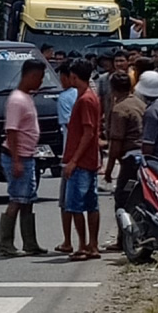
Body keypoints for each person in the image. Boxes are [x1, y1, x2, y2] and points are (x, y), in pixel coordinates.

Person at [0, 59, 48, 257]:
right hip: (18, 156)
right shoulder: (17, 100)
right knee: (17, 199)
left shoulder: (26, 97)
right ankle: (6, 244)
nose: (41, 82)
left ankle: (30, 242)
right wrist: (16, 160)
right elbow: (12, 131)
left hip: (28, 156)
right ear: (31, 76)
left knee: (28, 199)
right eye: (39, 78)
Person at [62, 59, 101, 261]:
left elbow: (88, 132)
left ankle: (84, 245)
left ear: (74, 77)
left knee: (75, 205)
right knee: (91, 205)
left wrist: (73, 161)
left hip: (82, 161)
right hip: (90, 160)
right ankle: (92, 245)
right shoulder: (90, 97)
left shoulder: (85, 100)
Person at [103, 73, 145, 251]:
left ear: (112, 89)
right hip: (144, 158)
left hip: (129, 161)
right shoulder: (140, 103)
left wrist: (108, 170)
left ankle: (124, 240)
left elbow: (116, 143)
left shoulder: (119, 109)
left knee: (122, 199)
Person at [55, 61, 78, 254]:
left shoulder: (64, 98)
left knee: (66, 202)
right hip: (87, 154)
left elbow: (71, 128)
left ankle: (68, 240)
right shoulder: (87, 94)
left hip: (70, 154)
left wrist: (70, 157)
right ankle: (88, 242)